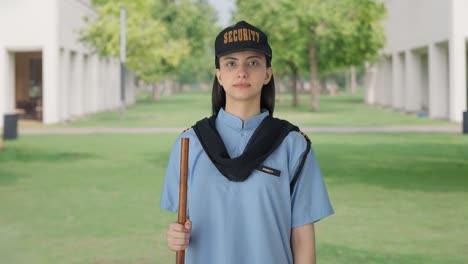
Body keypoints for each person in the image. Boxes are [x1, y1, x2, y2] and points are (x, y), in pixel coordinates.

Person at [160, 20, 334, 264]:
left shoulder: (293, 146)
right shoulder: (188, 144)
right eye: (231, 63)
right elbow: (183, 224)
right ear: (219, 75)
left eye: (253, 62)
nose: (242, 72)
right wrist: (175, 237)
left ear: (267, 74)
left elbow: (303, 240)